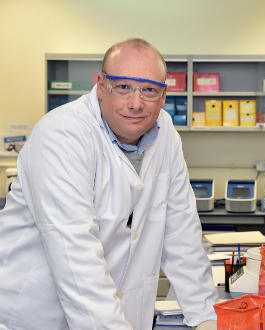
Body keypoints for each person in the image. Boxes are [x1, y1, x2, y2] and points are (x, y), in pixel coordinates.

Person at [0, 38, 218, 330]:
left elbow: (182, 234)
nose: (136, 103)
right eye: (124, 87)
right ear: (101, 85)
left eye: (149, 90)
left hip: (117, 316)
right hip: (35, 317)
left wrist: (207, 317)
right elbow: (75, 256)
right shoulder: (62, 136)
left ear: (164, 96)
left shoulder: (166, 134)